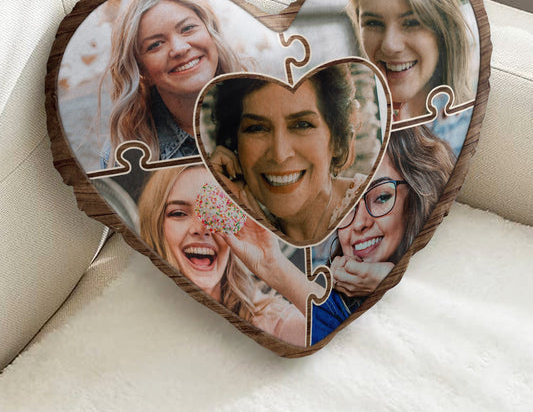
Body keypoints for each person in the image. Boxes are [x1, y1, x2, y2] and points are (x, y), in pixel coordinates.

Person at [137, 164, 314, 346]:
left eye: (214, 212)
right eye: (179, 213)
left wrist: (273, 264)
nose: (201, 229)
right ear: (155, 227)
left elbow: (329, 332)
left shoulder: (270, 321)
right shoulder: (137, 320)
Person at [311, 126, 455, 344]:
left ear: (417, 197)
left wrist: (390, 282)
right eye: (346, 205)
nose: (359, 223)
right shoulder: (319, 305)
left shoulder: (451, 266)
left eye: (381, 197)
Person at [209, 64, 367, 243]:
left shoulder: (374, 203)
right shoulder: (247, 229)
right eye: (257, 128)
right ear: (234, 144)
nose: (279, 155)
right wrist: (216, 190)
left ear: (337, 140)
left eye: (302, 125)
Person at [99, 0, 243, 167]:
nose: (179, 48)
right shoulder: (122, 155)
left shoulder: (267, 108)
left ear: (211, 34)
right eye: (155, 45)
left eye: (187, 28)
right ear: (142, 71)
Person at [346, 0, 475, 152]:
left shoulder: (466, 133)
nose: (390, 45)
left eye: (412, 23)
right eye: (373, 23)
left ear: (444, 32)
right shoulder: (348, 127)